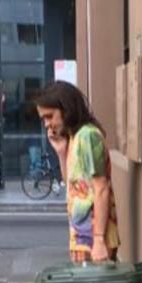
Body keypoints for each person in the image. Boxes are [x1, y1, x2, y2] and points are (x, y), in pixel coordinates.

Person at [35, 81, 119, 263]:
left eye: (50, 116)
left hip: (93, 239)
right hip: (83, 237)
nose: (47, 124)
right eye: (43, 119)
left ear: (67, 108)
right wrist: (61, 152)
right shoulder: (75, 137)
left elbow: (101, 188)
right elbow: (72, 186)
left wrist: (98, 240)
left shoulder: (87, 136)